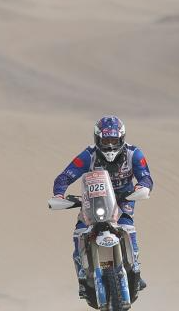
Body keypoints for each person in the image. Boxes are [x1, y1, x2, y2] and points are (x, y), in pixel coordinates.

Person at [52, 115, 153, 299]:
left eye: (114, 140)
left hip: (123, 199)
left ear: (121, 138)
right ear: (97, 139)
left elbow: (146, 177)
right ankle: (83, 277)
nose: (110, 145)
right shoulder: (88, 155)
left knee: (127, 227)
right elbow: (65, 176)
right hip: (94, 201)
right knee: (79, 232)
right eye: (106, 140)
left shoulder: (134, 154)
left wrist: (141, 187)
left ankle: (135, 268)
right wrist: (59, 194)